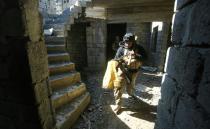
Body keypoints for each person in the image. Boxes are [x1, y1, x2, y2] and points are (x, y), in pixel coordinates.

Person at [112, 33, 147, 113]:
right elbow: (116, 59)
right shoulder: (121, 49)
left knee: (130, 86)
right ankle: (118, 105)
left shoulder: (139, 48)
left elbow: (145, 58)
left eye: (129, 42)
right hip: (123, 71)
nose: (127, 44)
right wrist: (118, 61)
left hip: (134, 72)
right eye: (126, 42)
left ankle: (130, 93)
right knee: (118, 87)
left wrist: (136, 55)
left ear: (133, 42)